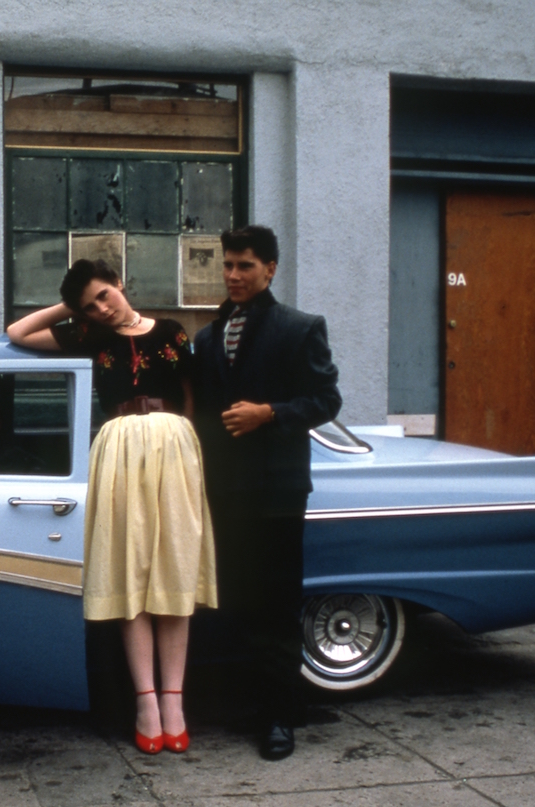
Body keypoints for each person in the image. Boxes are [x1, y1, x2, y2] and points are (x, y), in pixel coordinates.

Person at [7, 259, 217, 755]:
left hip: (174, 447)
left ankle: (174, 702)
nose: (102, 307)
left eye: (105, 294)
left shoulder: (171, 332)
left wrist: (190, 457)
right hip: (119, 449)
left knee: (173, 572)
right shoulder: (88, 336)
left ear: (122, 283)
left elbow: (191, 398)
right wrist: (72, 304)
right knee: (130, 575)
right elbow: (17, 331)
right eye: (90, 304)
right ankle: (145, 701)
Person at [192, 225, 341, 761]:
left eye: (245, 266)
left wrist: (270, 413)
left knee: (277, 602)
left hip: (277, 492)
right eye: (228, 265)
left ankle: (281, 716)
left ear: (271, 269)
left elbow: (326, 400)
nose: (233, 275)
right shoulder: (208, 337)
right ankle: (251, 702)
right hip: (224, 492)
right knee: (238, 599)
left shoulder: (299, 328)